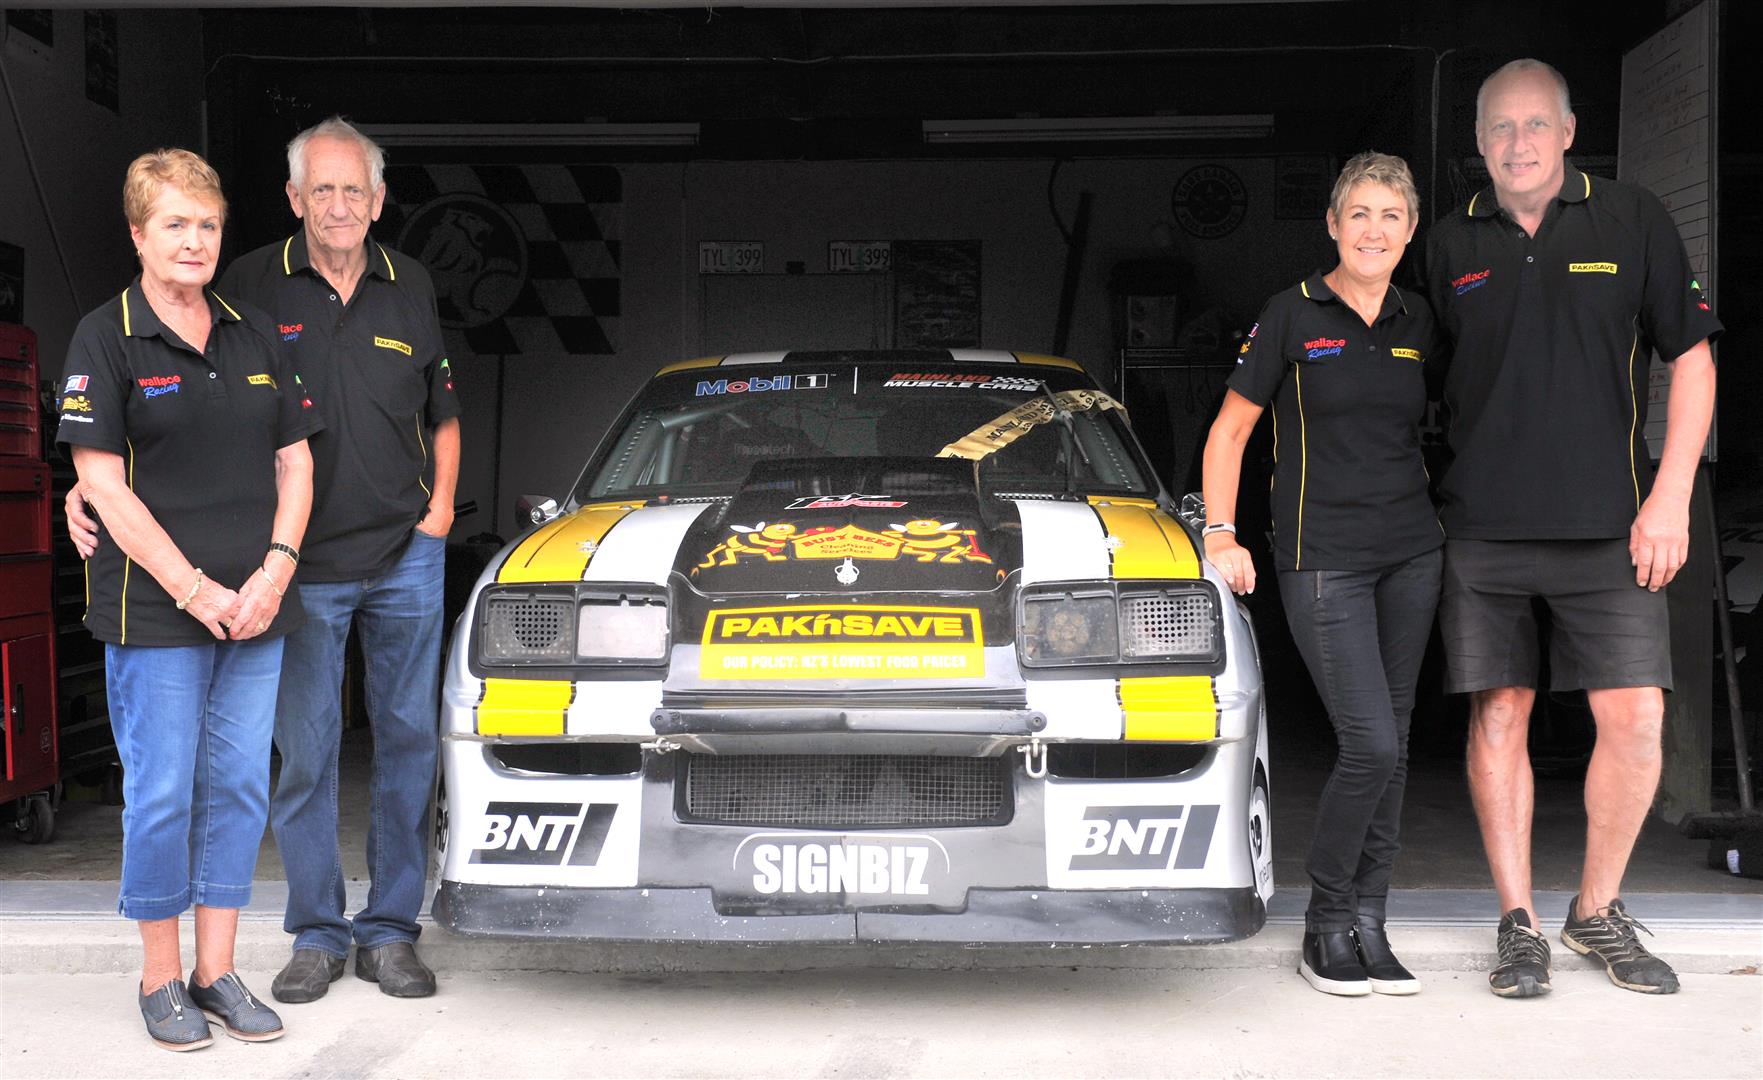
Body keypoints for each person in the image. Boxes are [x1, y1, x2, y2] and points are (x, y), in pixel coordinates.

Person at [69, 117, 462, 1002]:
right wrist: (85, 484)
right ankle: (317, 933)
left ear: (379, 199)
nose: (336, 204)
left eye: (352, 188)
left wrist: (439, 513)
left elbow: (434, 410)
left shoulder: (413, 286)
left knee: (403, 742)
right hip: (293, 572)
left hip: (396, 556)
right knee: (302, 757)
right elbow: (169, 429)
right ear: (291, 199)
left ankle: (392, 929)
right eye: (318, 188)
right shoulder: (245, 285)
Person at [1426, 59, 1720, 997]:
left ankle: (1595, 911)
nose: (1516, 144)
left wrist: (1670, 494)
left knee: (1635, 720)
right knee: (1499, 712)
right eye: (1498, 129)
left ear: (1566, 131)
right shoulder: (1443, 244)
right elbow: (1400, 375)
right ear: (1478, 143)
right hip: (1481, 527)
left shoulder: (1631, 219)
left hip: (1613, 524)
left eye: (1534, 125)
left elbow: (1693, 357)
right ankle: (1516, 925)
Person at [57, 149, 318, 1049]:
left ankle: (217, 972)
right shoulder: (105, 336)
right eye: (174, 223)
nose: (194, 241)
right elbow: (104, 487)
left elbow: (296, 459)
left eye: (207, 225)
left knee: (240, 788)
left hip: (255, 608)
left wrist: (275, 569)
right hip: (158, 611)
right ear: (138, 234)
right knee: (165, 792)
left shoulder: (252, 333)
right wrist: (197, 588)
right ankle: (159, 977)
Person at [1202, 152, 1442, 997]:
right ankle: (1323, 923)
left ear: (1409, 231)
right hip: (1321, 557)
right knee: (1368, 743)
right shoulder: (1291, 315)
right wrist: (1222, 533)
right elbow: (1230, 432)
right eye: (1359, 214)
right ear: (1332, 225)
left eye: (1390, 216)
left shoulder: (1419, 319)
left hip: (1412, 552)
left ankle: (1368, 925)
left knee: (1397, 745)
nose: (1373, 229)